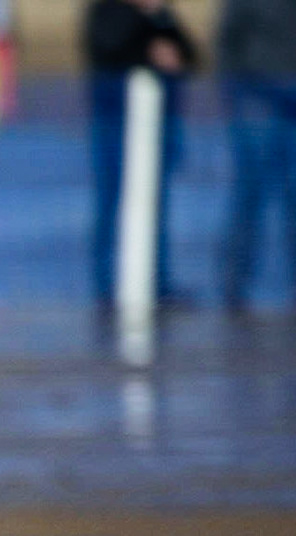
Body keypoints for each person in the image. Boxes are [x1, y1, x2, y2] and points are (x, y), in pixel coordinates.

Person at [85, 0, 196, 306]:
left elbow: (190, 54)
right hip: (116, 123)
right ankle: (109, 284)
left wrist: (161, 23)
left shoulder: (161, 13)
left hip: (159, 122)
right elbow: (108, 48)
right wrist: (147, 42)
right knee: (113, 201)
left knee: (154, 204)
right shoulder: (108, 9)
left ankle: (156, 281)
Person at [218, 0, 296, 312]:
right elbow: (228, 40)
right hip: (258, 97)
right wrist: (236, 92)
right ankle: (234, 286)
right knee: (251, 194)